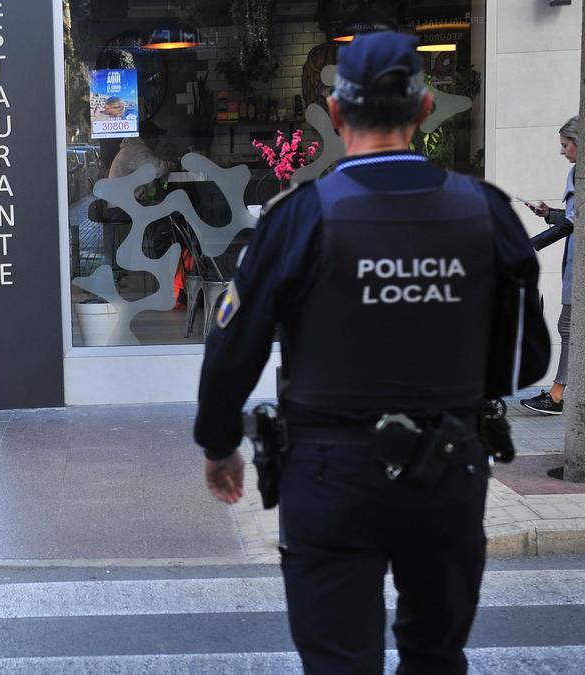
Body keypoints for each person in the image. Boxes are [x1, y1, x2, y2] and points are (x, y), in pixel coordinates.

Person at [193, 32, 550, 673]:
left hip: (327, 476)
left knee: (337, 663)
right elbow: (527, 362)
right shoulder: (486, 211)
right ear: (424, 110)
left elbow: (231, 347)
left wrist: (220, 445)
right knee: (436, 657)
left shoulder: (297, 217)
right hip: (449, 468)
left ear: (334, 113)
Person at [523, 115, 578, 415]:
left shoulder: (578, 172)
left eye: (565, 145)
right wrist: (548, 213)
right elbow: (572, 217)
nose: (561, 152)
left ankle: (557, 396)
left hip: (578, 269)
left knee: (568, 328)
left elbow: (572, 223)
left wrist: (532, 244)